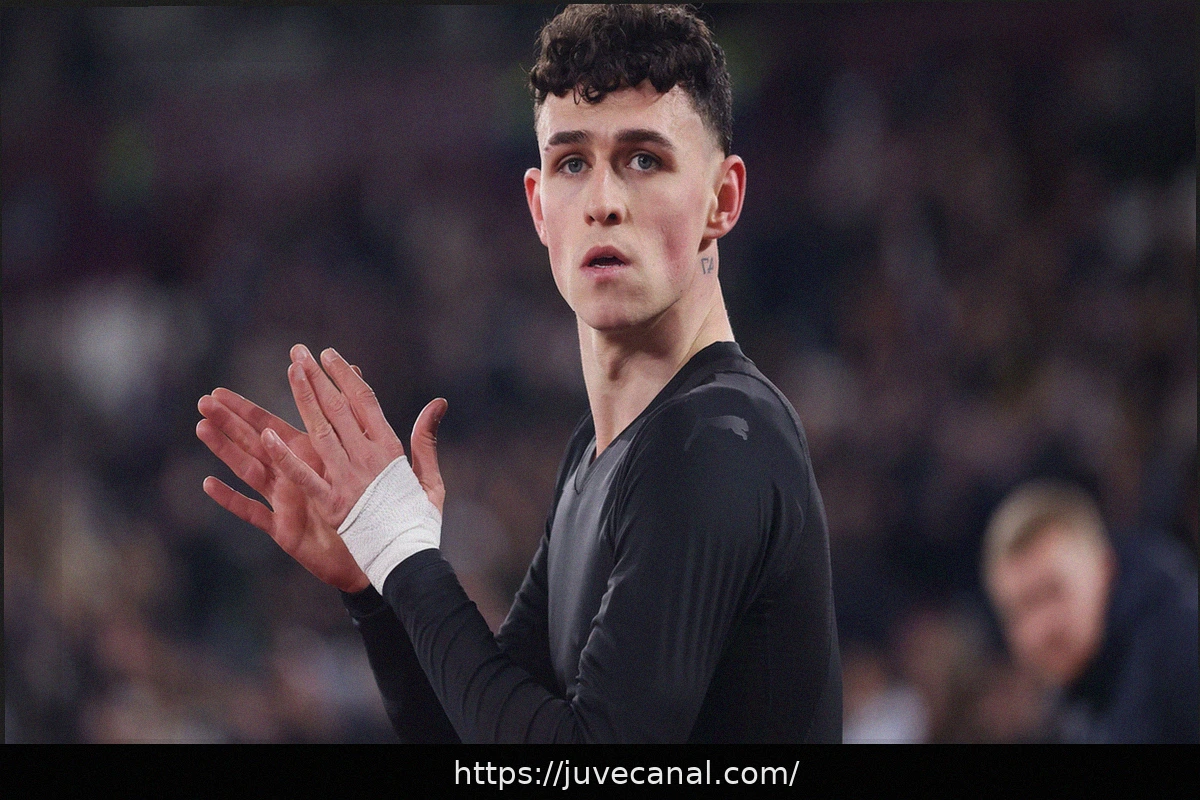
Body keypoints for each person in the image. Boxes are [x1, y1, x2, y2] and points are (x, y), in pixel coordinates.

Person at [196, 4, 841, 743]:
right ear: (538, 207)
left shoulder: (716, 438)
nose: (603, 203)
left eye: (644, 160)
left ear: (721, 200)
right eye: (573, 163)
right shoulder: (599, 451)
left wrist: (404, 552)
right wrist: (379, 583)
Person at [982, 480, 1199, 743]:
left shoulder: (1181, 648)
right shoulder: (1077, 701)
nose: (1041, 628)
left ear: (1104, 569)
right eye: (1019, 611)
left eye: (1053, 592)